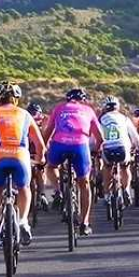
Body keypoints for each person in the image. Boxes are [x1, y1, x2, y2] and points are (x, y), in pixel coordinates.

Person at [0, 82, 44, 248]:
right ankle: (23, 221)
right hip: (20, 155)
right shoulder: (25, 114)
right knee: (24, 187)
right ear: (17, 99)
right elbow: (40, 144)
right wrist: (41, 159)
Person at [44, 88, 103, 236]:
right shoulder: (88, 110)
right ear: (83, 99)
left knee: (50, 167)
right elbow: (100, 136)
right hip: (80, 146)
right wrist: (97, 150)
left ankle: (58, 191)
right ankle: (84, 223)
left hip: (59, 145)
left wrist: (44, 148)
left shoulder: (59, 108)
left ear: (67, 99)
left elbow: (49, 131)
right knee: (84, 184)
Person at [99, 96, 138, 206]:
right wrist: (137, 148)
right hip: (122, 148)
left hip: (107, 149)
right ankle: (126, 190)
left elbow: (95, 137)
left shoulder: (101, 119)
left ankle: (107, 195)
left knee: (107, 168)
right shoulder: (124, 118)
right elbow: (134, 136)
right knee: (125, 166)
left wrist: (93, 149)